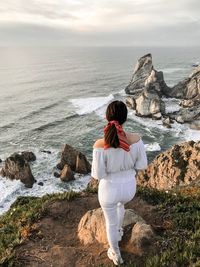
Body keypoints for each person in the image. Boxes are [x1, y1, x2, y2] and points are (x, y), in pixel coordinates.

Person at [91, 100, 148, 265]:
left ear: (107, 117)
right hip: (129, 188)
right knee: (120, 206)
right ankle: (119, 230)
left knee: (110, 221)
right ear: (125, 118)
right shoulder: (136, 139)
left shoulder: (100, 145)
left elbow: (98, 175)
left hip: (109, 190)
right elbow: (142, 165)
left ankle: (115, 254)